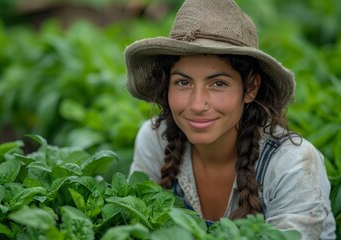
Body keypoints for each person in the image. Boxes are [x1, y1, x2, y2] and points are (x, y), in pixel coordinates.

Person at [124, 0, 336, 239]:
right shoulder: (156, 140)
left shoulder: (291, 166)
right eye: (183, 82)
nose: (197, 104)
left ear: (250, 88)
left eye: (218, 84)